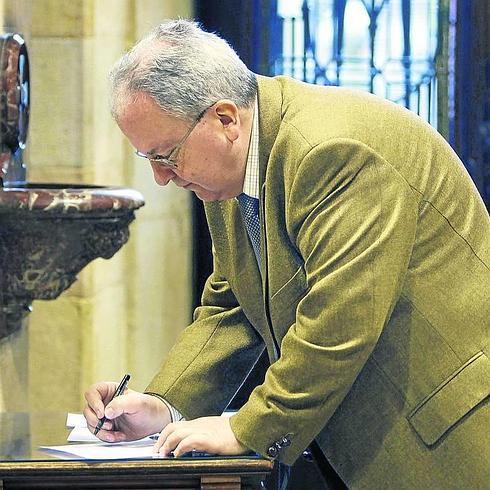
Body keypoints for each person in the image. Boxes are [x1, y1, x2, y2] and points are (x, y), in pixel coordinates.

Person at [84, 19, 490, 489]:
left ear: (225, 118)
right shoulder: (230, 170)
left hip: (442, 433)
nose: (161, 177)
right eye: (148, 158)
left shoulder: (332, 151)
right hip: (356, 436)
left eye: (166, 154)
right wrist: (164, 403)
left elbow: (340, 320)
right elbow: (234, 304)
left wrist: (248, 426)